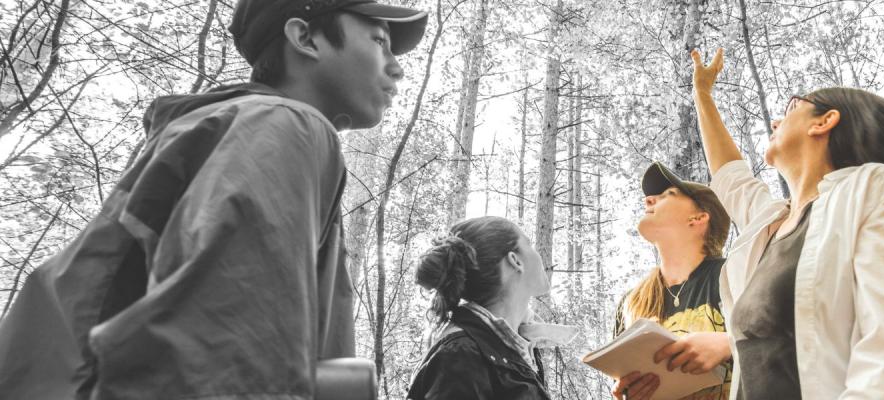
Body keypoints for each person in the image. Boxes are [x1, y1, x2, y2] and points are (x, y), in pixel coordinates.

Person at [0, 0, 428, 398]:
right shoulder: (284, 126)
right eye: (379, 41)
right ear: (306, 39)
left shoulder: (237, 125)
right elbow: (223, 359)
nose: (396, 69)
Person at [690, 48, 884, 399]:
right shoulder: (769, 224)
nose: (775, 121)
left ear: (824, 121)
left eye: (792, 107)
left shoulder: (880, 191)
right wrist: (702, 95)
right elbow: (729, 176)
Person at [610, 162, 734, 400]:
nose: (648, 201)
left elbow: (786, 340)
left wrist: (729, 344)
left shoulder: (733, 274)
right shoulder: (629, 303)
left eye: (668, 194)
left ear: (698, 218)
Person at [407, 217, 563, 400]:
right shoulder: (461, 355)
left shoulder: (512, 347)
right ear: (515, 260)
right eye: (529, 244)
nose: (539, 255)